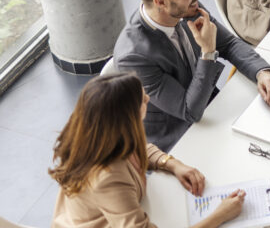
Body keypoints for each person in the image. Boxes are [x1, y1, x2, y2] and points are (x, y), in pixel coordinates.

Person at [114, 0, 270, 151]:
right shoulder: (133, 57)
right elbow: (189, 111)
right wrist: (208, 52)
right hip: (180, 137)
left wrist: (261, 73)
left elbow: (228, 44)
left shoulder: (185, 7)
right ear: (160, 2)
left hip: (213, 108)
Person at [50, 72, 245, 227]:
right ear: (127, 117)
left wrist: (172, 164)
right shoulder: (107, 177)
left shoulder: (100, 133)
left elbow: (139, 148)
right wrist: (220, 215)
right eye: (142, 100)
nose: (148, 99)